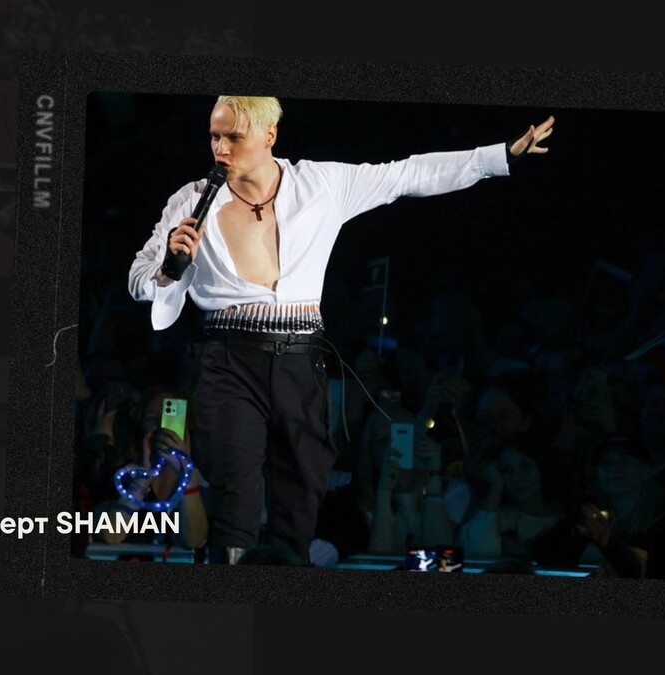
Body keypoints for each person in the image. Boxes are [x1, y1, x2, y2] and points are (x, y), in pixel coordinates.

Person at [128, 95, 555, 564]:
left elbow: (406, 174)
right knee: (234, 496)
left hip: (300, 359)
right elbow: (139, 277)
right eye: (215, 136)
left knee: (299, 498)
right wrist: (167, 269)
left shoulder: (321, 184)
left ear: (269, 135)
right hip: (230, 361)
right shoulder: (190, 200)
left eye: (234, 137)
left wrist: (498, 157)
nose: (221, 148)